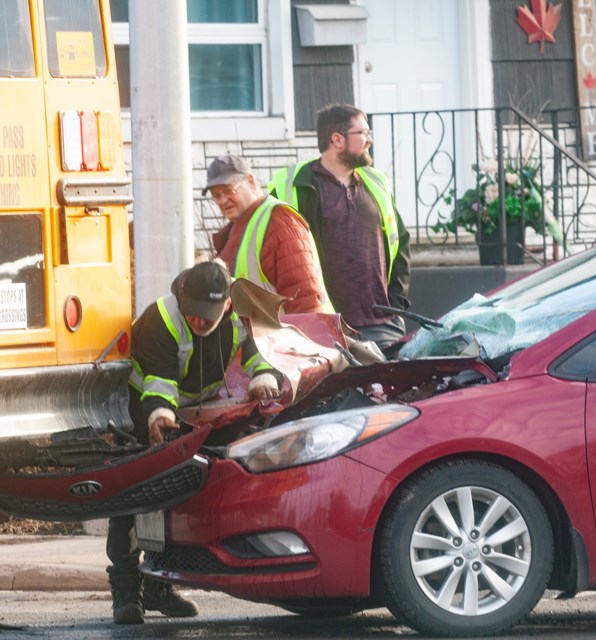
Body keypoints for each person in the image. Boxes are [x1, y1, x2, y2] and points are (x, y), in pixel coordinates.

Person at [107, 261, 281, 625]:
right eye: (194, 316)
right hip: (141, 410)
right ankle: (126, 591)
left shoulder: (239, 315)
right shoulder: (162, 319)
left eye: (207, 317)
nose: (198, 323)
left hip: (191, 414)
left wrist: (263, 377)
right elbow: (159, 383)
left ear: (228, 306)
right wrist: (159, 420)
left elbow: (259, 352)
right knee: (132, 495)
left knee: (176, 497)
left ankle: (159, 586)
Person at [269, 104, 411, 350]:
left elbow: (400, 242)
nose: (370, 140)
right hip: (323, 327)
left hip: (382, 323)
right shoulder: (293, 186)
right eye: (363, 133)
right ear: (337, 139)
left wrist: (396, 304)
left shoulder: (375, 181)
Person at [205, 154, 331, 314]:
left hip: (281, 337)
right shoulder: (244, 224)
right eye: (216, 196)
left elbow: (304, 300)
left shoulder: (279, 222)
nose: (222, 200)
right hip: (262, 337)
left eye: (229, 190)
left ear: (251, 182)